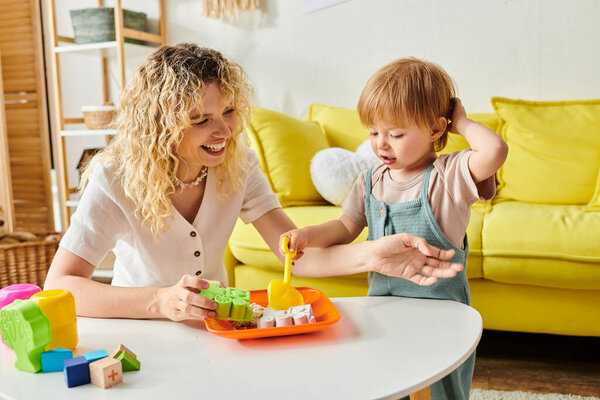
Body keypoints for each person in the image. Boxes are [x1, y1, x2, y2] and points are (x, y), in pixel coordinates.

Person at [44, 44, 464, 324]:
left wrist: (373, 256)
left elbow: (293, 258)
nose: (224, 130)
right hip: (139, 331)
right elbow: (61, 286)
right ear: (158, 125)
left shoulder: (237, 164)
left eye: (228, 111)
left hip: (218, 325)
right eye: (199, 119)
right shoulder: (115, 177)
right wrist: (160, 302)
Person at [281, 57, 508, 399]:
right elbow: (345, 226)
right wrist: (308, 236)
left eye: (396, 134)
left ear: (435, 129)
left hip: (441, 317)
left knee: (442, 391)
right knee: (386, 384)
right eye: (373, 132)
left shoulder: (449, 176)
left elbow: (494, 149)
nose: (381, 144)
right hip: (383, 311)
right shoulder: (370, 179)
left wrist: (460, 121)